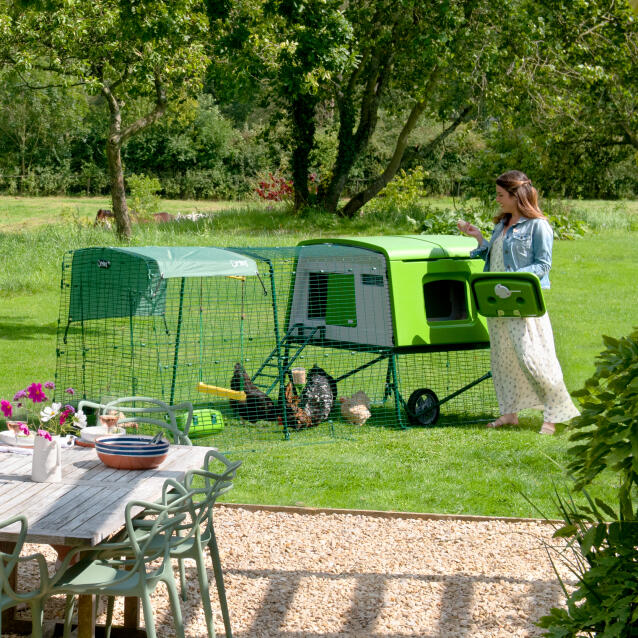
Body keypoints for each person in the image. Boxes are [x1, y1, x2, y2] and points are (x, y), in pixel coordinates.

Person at [457, 170, 579, 435]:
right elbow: (496, 255)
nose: (498, 199)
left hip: (521, 301)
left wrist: (514, 282)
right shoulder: (502, 224)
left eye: (501, 195)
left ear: (516, 195)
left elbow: (543, 264)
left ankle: (555, 412)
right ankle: (509, 414)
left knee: (531, 358)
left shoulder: (538, 226)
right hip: (495, 300)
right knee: (503, 359)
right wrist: (479, 238)